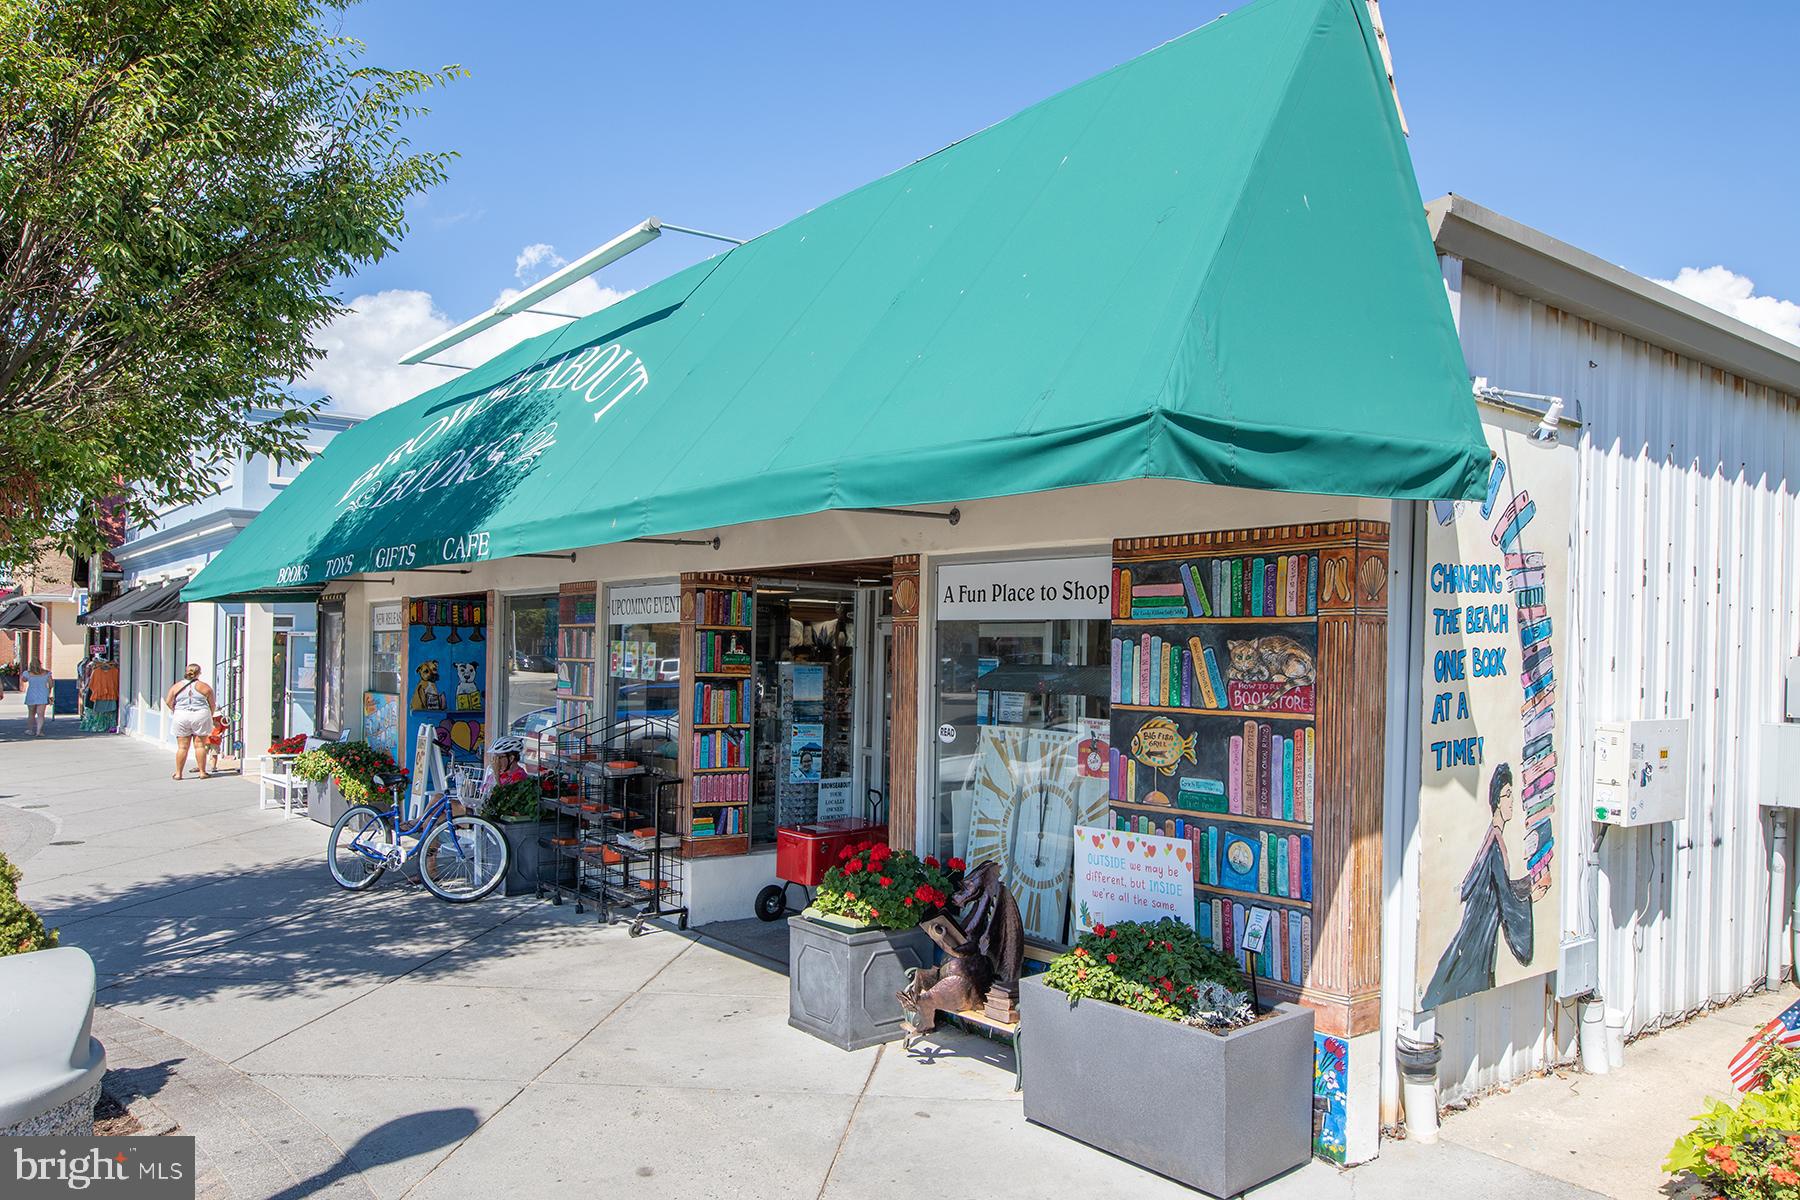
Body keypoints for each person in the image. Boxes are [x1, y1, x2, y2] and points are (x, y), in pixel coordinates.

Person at [1420, 762, 1552, 1009]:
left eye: (1512, 795)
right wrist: (1530, 892)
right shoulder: (1494, 843)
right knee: (1465, 979)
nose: (1511, 801)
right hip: (1479, 933)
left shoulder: (1493, 838)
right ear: (1496, 801)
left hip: (1480, 930)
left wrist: (1529, 885)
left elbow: (1502, 886)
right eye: (1506, 796)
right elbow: (1504, 893)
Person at [165, 663, 216, 779]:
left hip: (181, 716)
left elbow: (168, 701)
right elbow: (212, 704)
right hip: (200, 715)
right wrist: (210, 715)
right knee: (200, 745)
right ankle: (202, 772)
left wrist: (175, 710)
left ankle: (178, 773)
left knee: (182, 747)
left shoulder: (176, 686)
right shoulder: (205, 687)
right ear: (199, 673)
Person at [80, 649, 121, 733]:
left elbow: (91, 684)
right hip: (107, 695)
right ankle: (108, 725)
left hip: (103, 696)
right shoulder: (97, 671)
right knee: (106, 712)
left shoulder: (114, 671)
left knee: (101, 712)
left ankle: (101, 725)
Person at [21, 657, 52, 736]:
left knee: (31, 713)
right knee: (40, 714)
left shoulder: (27, 673)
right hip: (43, 694)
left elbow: (23, 680)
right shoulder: (47, 673)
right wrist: (49, 693)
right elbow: (51, 684)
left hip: (31, 694)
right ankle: (39, 731)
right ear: (40, 664)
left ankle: (30, 730)